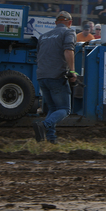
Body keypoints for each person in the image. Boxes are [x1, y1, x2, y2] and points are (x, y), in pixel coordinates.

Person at [33, 11, 77, 144]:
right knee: (64, 109)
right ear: (70, 23)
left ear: (56, 22)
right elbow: (68, 51)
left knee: (52, 108)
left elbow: (38, 55)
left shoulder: (43, 36)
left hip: (42, 76)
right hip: (56, 76)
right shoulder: (68, 32)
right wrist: (73, 72)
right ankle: (44, 125)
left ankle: (51, 139)